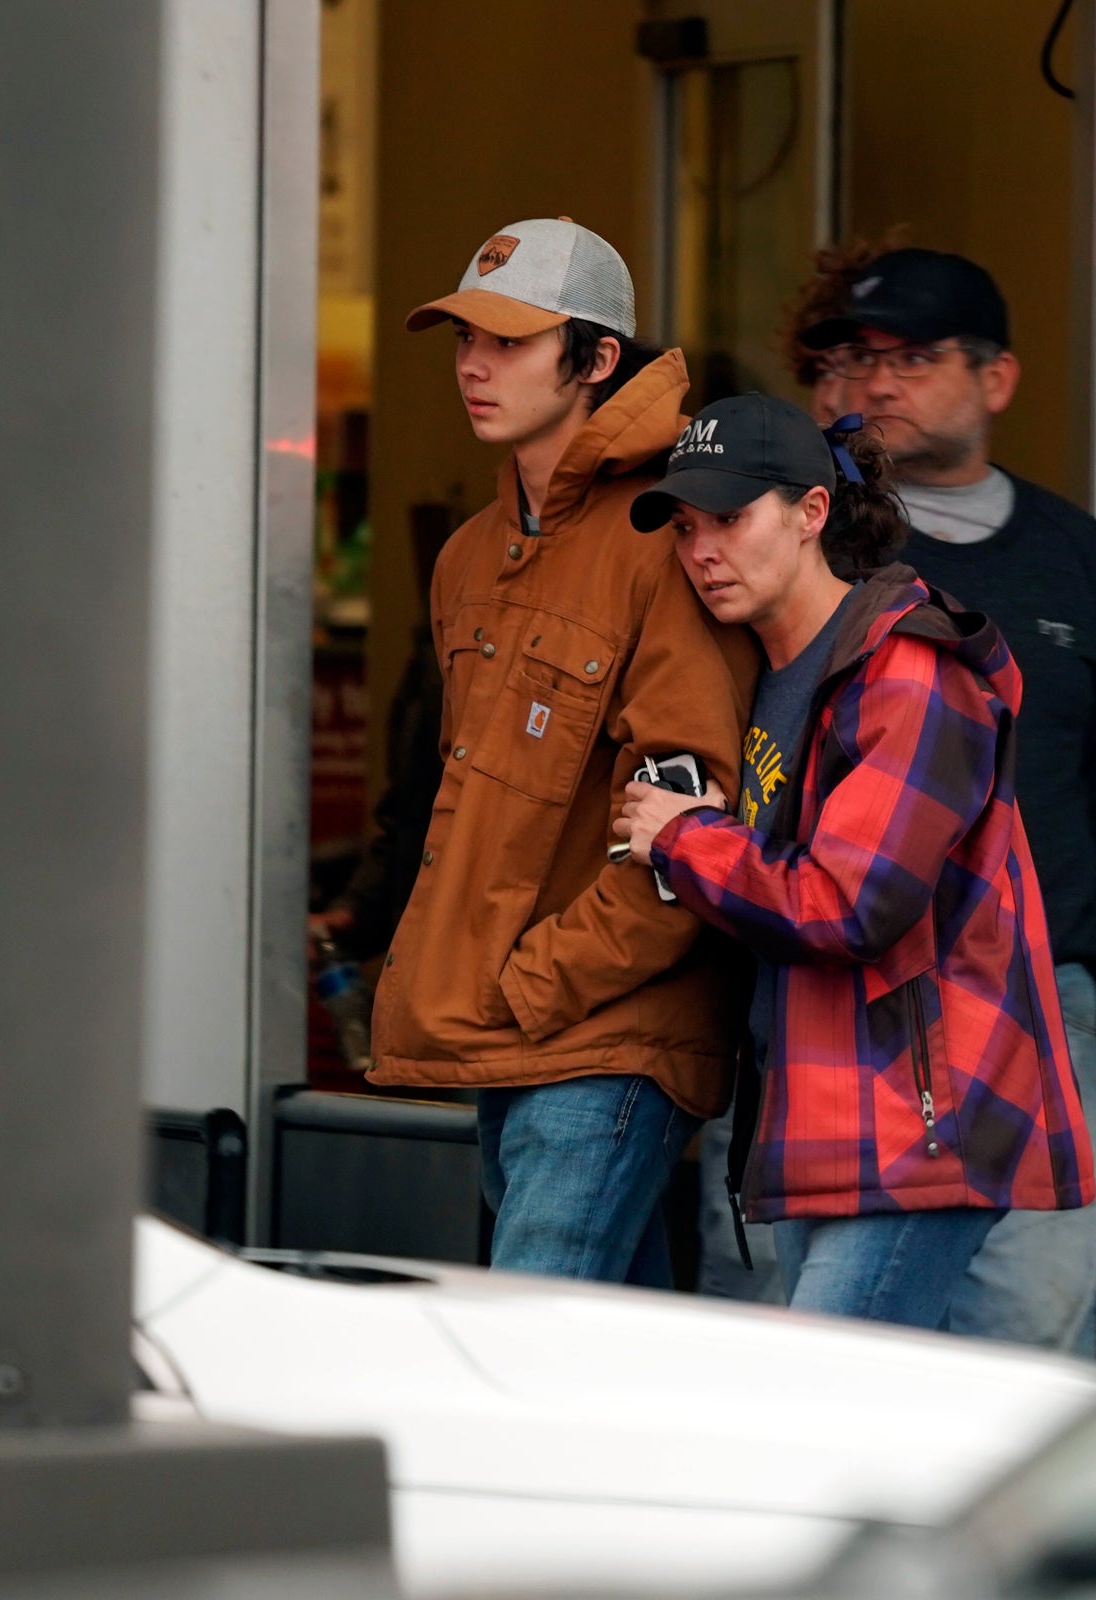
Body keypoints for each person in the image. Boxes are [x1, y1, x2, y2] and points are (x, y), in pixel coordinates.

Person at [616, 392, 1093, 1330]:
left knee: (815, 1418)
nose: (701, 549)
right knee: (867, 1427)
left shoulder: (910, 669)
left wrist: (682, 837)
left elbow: (849, 903)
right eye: (683, 527)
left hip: (921, 1122)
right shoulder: (764, 674)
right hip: (825, 1113)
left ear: (811, 513)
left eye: (729, 518)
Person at [367, 218, 757, 1286]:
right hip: (514, 1037)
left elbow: (691, 826)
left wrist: (531, 983)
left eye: (509, 342)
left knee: (532, 1338)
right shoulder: (466, 558)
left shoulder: (668, 535)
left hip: (606, 1036)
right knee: (610, 1368)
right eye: (462, 340)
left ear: (594, 361)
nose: (474, 366)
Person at [799, 247, 1096, 1354]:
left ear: (997, 379)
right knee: (842, 1338)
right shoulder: (812, 540)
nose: (879, 381)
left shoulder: (1071, 554)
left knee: (1031, 1323)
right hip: (858, 985)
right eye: (857, 356)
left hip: (1045, 993)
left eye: (913, 356)